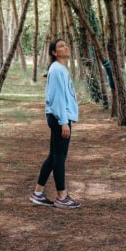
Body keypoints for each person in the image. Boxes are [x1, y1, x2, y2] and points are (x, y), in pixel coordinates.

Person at [30, 37, 82, 209]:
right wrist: (63, 122)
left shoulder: (58, 69)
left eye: (66, 45)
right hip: (60, 118)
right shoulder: (57, 70)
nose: (66, 47)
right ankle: (62, 197)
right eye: (61, 46)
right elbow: (57, 98)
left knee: (54, 156)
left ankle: (38, 193)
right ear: (54, 52)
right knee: (60, 157)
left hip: (58, 117)